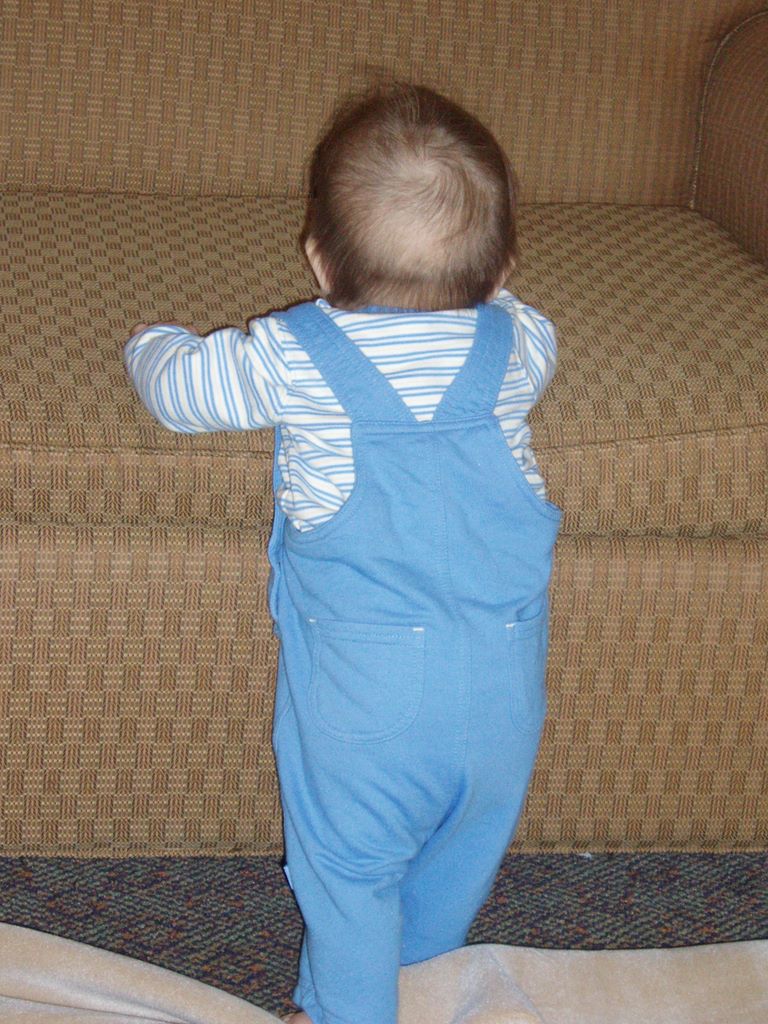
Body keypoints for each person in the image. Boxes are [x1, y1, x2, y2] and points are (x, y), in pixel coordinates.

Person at [124, 81, 562, 1024]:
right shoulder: (518, 348)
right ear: (502, 269)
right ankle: (423, 983)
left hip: (369, 697)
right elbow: (537, 329)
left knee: (349, 871)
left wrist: (149, 344)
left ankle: (344, 1013)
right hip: (504, 686)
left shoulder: (295, 357)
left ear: (319, 260)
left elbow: (182, 394)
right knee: (460, 848)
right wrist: (488, 292)